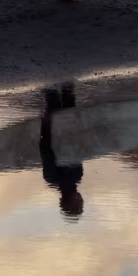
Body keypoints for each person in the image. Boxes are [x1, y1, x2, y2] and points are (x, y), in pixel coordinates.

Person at [39, 84, 84, 219]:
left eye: (79, 204)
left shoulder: (56, 177)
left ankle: (55, 74)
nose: (82, 200)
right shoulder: (76, 177)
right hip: (60, 133)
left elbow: (47, 153)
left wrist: (45, 130)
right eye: (81, 204)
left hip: (58, 133)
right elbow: (78, 150)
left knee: (62, 100)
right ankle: (58, 73)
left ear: (70, 201)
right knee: (60, 99)